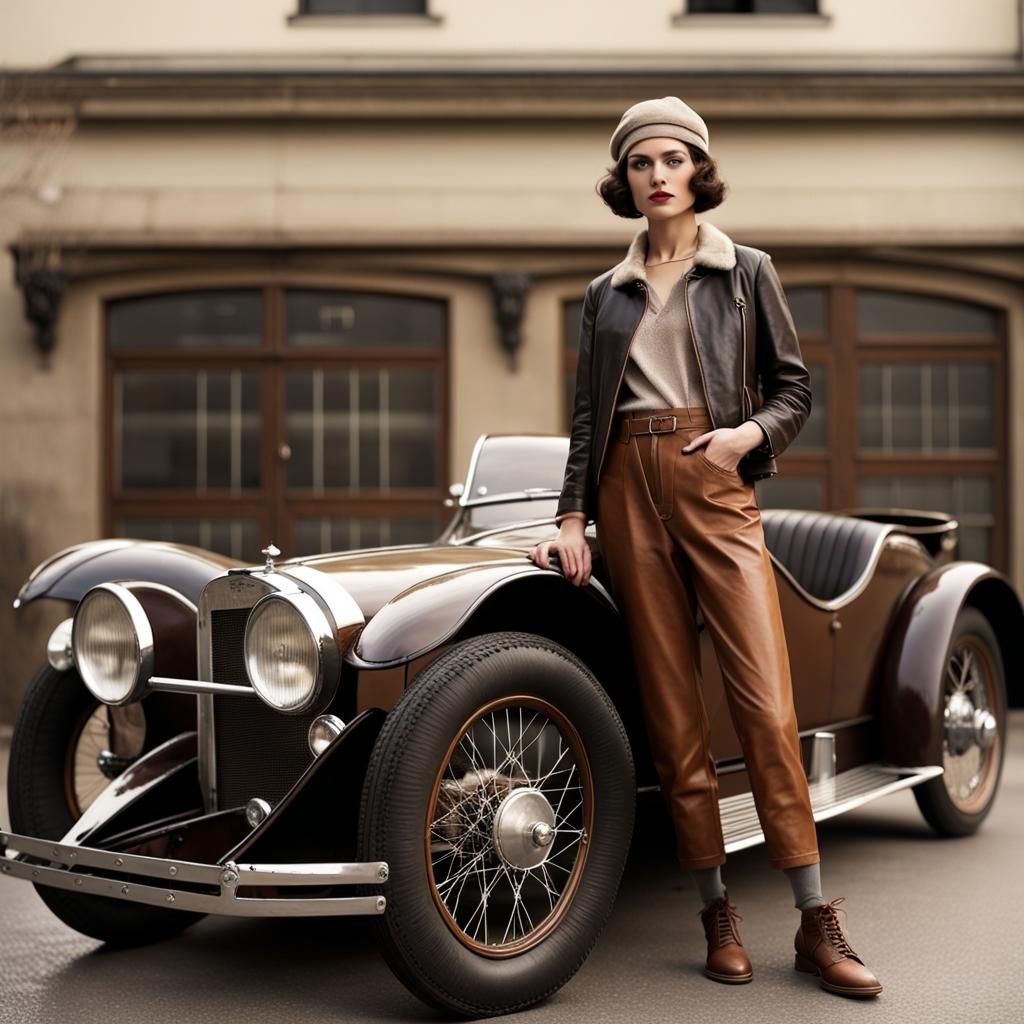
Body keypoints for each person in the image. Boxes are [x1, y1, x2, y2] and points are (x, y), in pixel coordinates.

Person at [528, 96, 882, 998]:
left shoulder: (745, 271)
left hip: (713, 479)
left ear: (698, 172)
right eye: (640, 163)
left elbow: (794, 390)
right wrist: (573, 517)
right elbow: (584, 419)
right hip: (624, 493)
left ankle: (812, 918)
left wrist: (743, 438)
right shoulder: (604, 297)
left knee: (764, 704)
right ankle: (715, 909)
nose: (656, 175)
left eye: (671, 160)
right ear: (626, 179)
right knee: (674, 718)